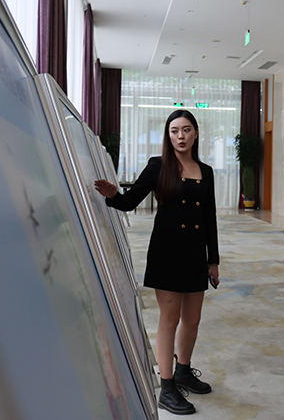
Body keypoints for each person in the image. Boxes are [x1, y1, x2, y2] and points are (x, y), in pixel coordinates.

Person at [95, 109, 219, 416]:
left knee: (193, 319)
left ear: (196, 134)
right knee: (170, 318)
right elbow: (129, 202)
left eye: (186, 130)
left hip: (195, 254)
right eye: (174, 130)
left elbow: (209, 218)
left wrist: (213, 260)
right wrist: (113, 195)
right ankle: (166, 387)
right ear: (168, 135)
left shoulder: (206, 171)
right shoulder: (159, 165)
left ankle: (183, 371)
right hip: (167, 253)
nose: (180, 136)